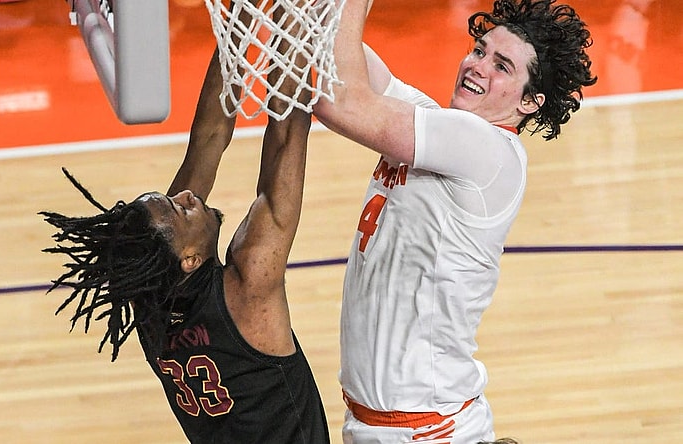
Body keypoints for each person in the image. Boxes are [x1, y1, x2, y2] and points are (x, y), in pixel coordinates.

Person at [313, 0, 596, 443]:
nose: (478, 66)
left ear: (529, 101)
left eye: (501, 66)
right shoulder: (442, 128)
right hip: (391, 423)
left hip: (427, 432)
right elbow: (333, 49)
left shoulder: (485, 148)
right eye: (479, 50)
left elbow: (339, 102)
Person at [40, 16, 330, 443]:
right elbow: (287, 132)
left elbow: (210, 135)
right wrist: (294, 20)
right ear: (190, 259)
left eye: (173, 199)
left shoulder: (151, 298)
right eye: (181, 209)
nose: (189, 197)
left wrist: (240, 23)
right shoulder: (248, 287)